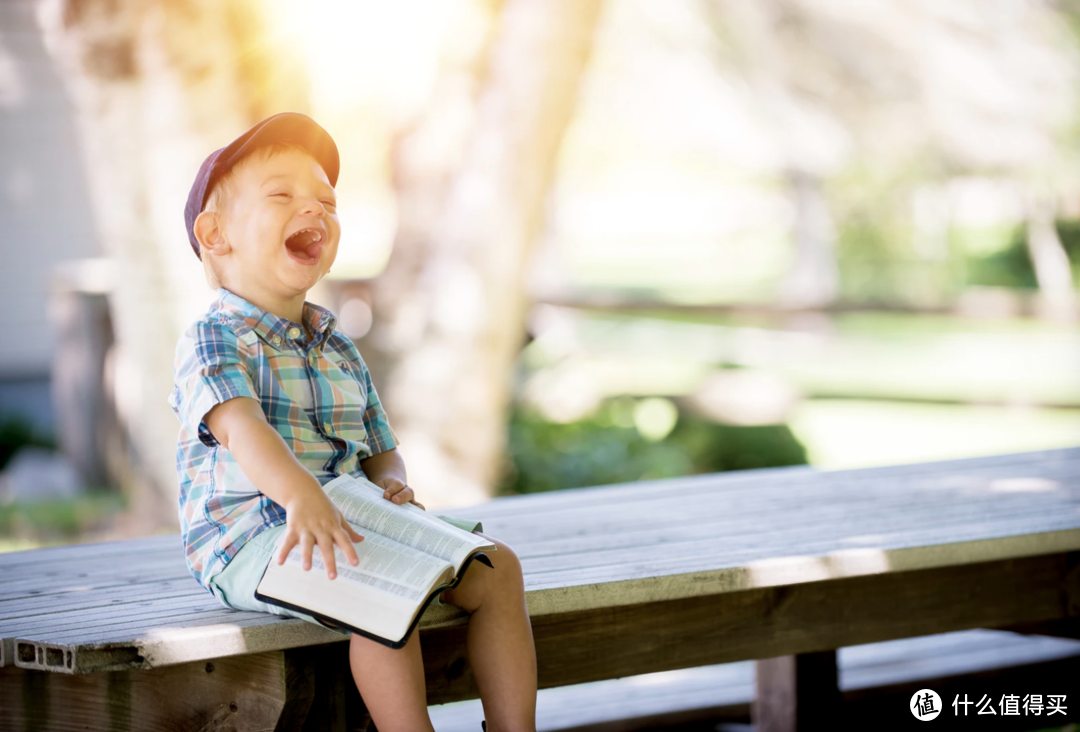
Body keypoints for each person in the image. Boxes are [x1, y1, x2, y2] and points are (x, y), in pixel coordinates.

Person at [169, 112, 537, 732]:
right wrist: (301, 495)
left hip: (348, 512)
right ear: (215, 234)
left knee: (498, 569)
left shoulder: (334, 342)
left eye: (326, 201)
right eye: (282, 194)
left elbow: (378, 445)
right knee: (381, 595)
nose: (313, 209)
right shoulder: (214, 337)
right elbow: (242, 428)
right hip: (253, 535)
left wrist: (391, 479)